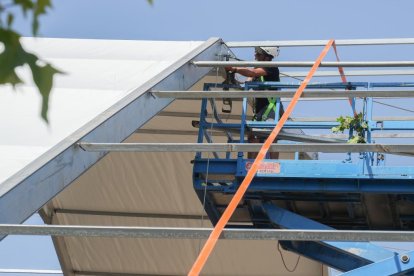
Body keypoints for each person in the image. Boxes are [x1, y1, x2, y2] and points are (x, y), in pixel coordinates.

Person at [225, 46, 283, 159]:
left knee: (270, 137)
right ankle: (250, 164)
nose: (255, 56)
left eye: (258, 54)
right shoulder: (258, 70)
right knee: (252, 137)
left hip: (271, 109)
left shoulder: (271, 68)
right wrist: (232, 77)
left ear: (267, 57)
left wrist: (235, 69)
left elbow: (252, 73)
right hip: (261, 110)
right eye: (256, 53)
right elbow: (246, 82)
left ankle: (273, 164)